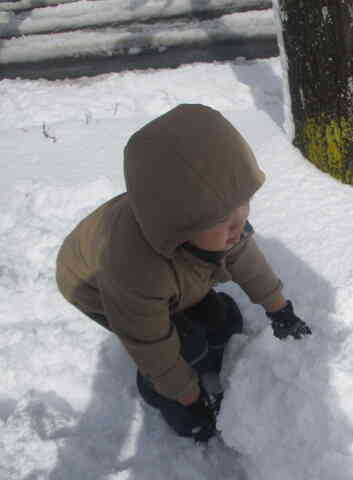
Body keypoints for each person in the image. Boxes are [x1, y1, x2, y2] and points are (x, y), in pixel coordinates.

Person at [55, 104, 311, 443]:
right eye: (222, 220)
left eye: (243, 205)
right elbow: (149, 344)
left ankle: (202, 333)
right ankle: (162, 396)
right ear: (179, 223)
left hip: (175, 266)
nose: (238, 224)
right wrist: (189, 398)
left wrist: (280, 309)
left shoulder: (216, 220)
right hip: (93, 286)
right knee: (182, 347)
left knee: (222, 322)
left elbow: (244, 257)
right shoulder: (135, 269)